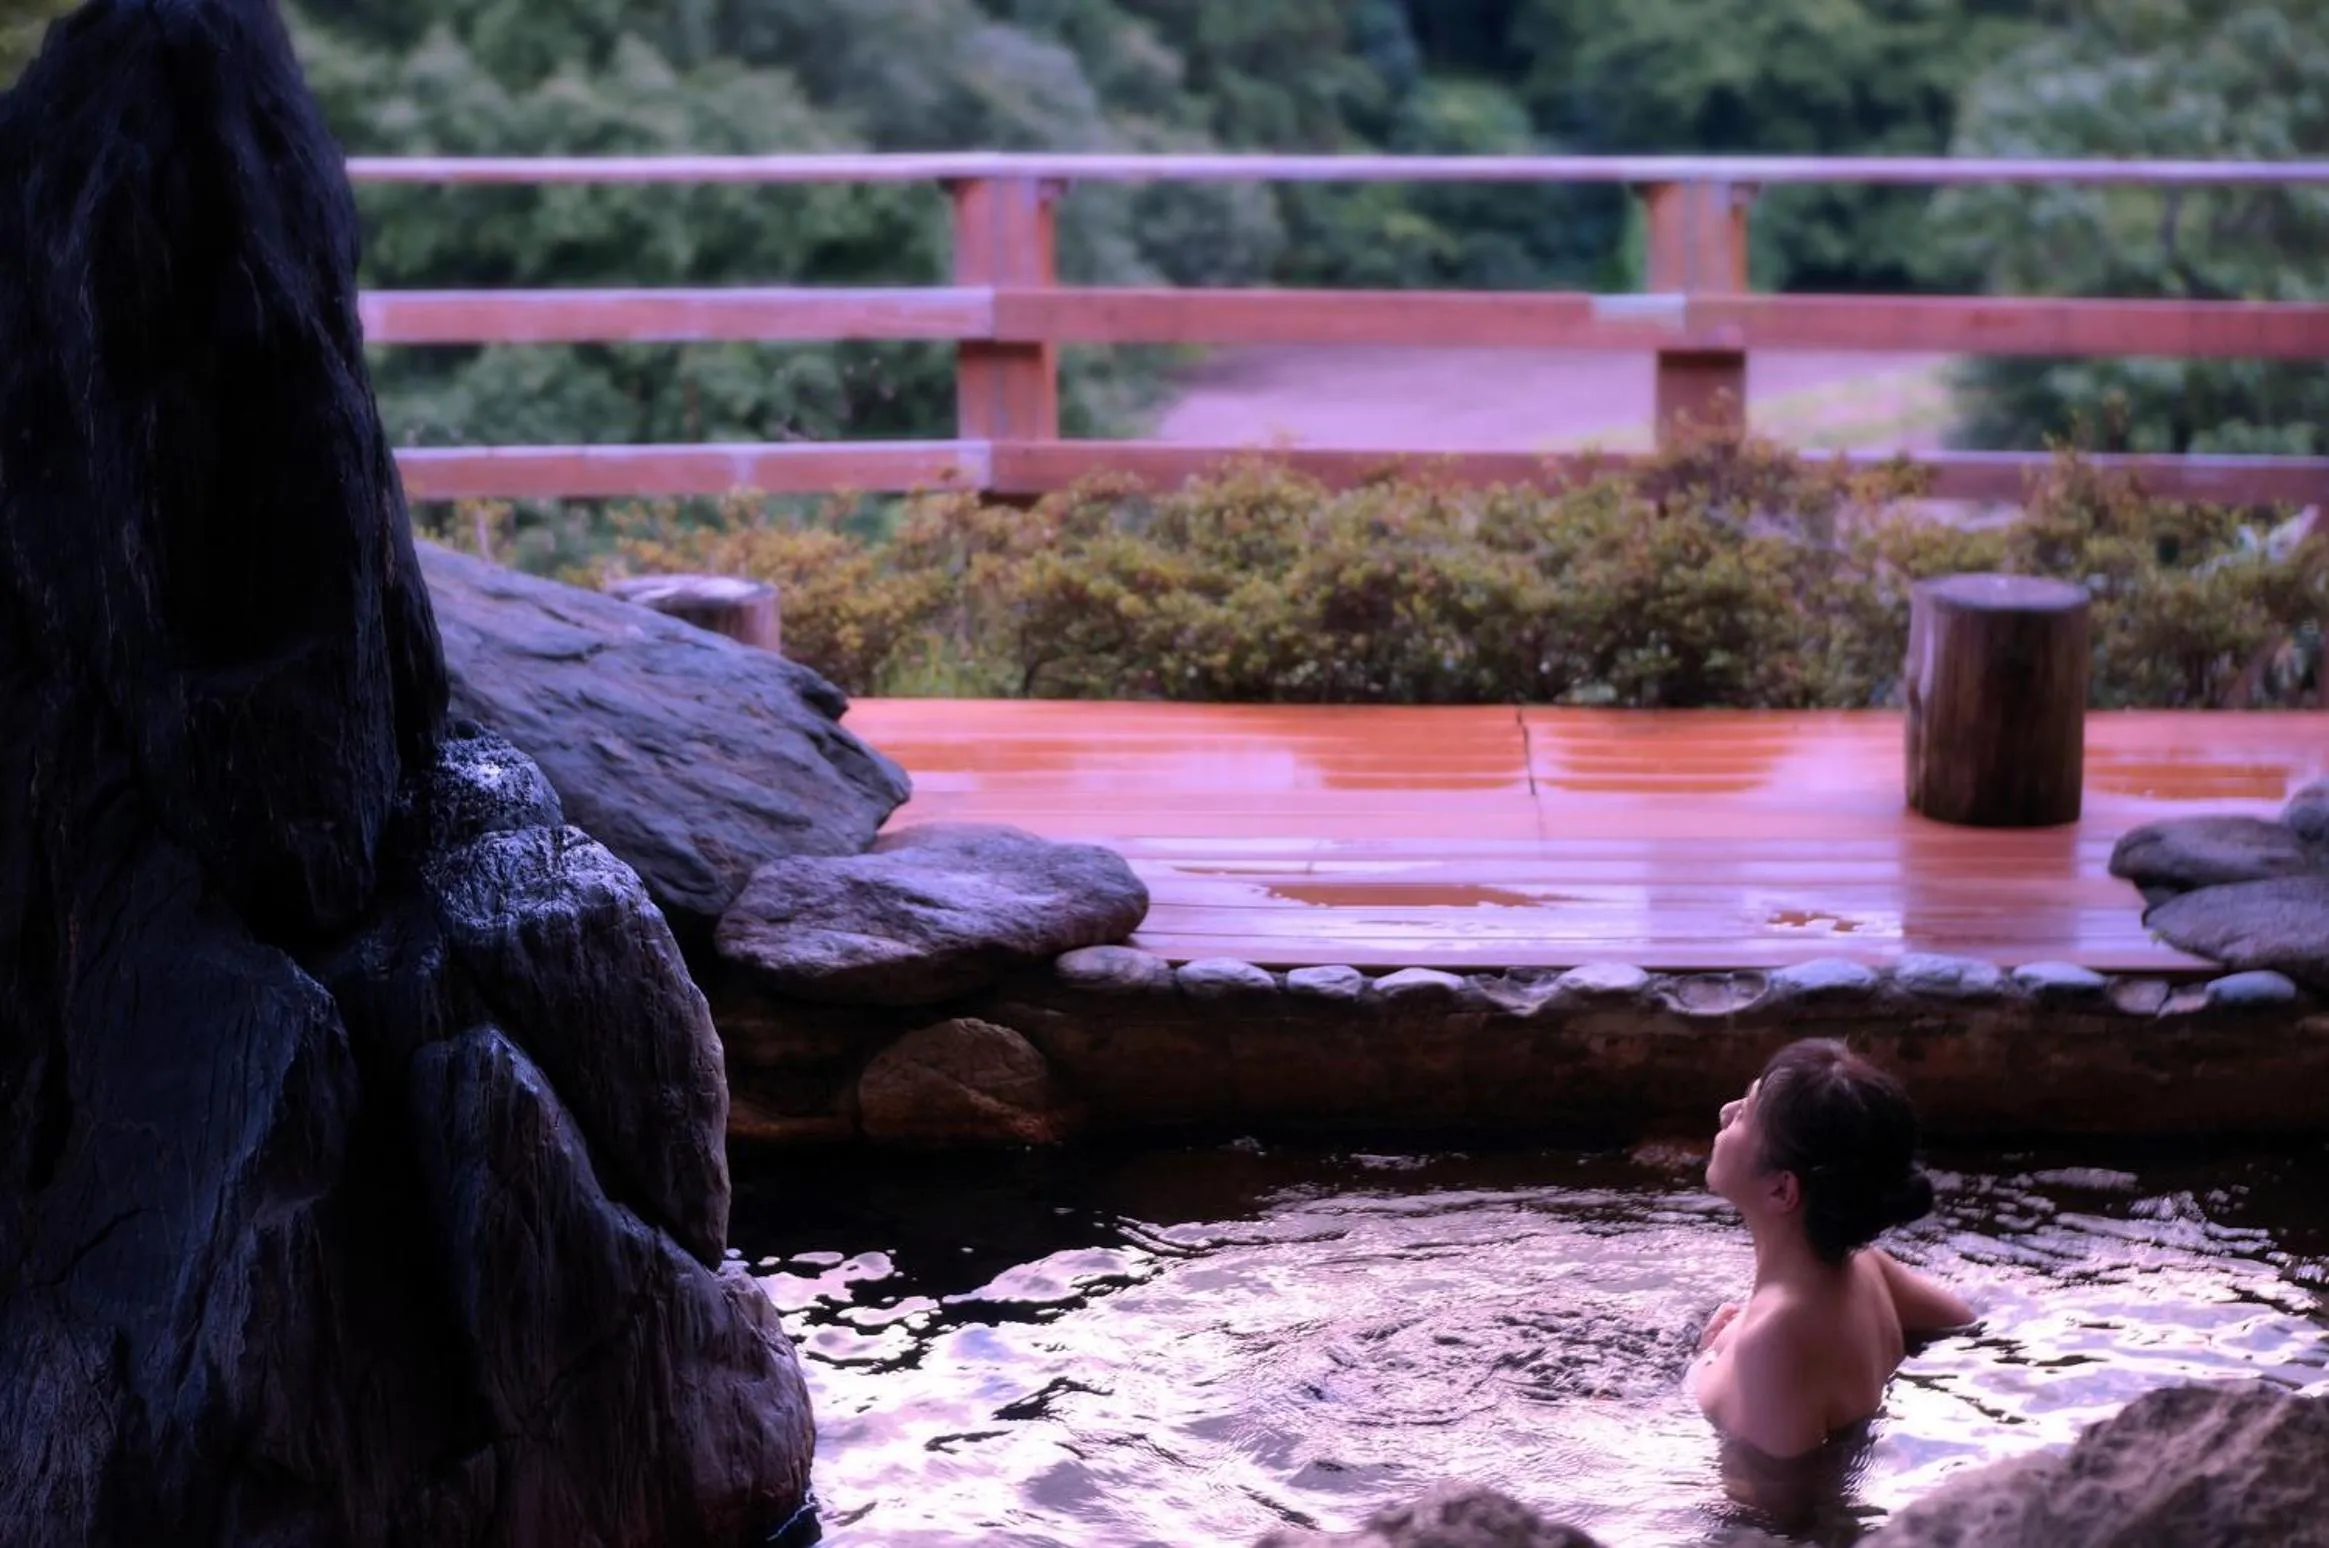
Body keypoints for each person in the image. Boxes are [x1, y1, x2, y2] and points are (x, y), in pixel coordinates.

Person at [1688, 1038, 1975, 1463]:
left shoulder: (1775, 1342)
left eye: (1744, 1116)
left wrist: (1704, 1364)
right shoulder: (1866, 1269)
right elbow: (1964, 1325)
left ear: (1782, 1189)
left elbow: (1774, 1513)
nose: (1724, 1112)